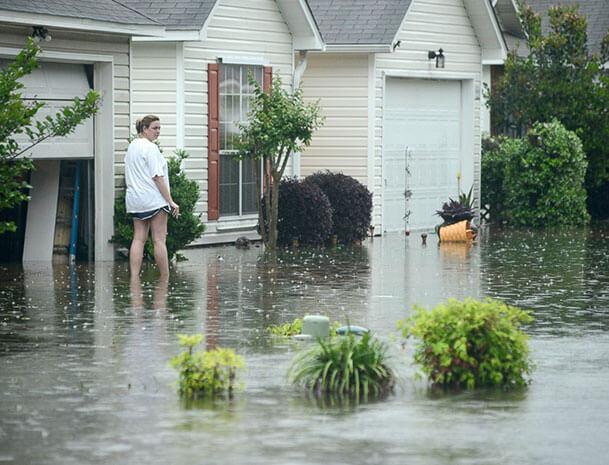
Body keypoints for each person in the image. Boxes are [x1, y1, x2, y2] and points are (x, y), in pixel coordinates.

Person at [125, 115, 179, 280]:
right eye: (155, 128)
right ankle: (165, 278)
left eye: (159, 128)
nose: (158, 132)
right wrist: (170, 201)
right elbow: (157, 177)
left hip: (135, 199)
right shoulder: (150, 148)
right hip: (154, 200)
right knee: (159, 240)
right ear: (144, 129)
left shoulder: (132, 146)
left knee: (139, 239)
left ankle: (134, 279)